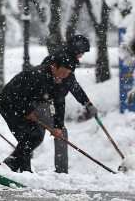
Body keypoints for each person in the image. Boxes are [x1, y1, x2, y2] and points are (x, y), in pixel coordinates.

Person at [0, 53, 75, 173]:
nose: (64, 76)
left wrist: (58, 126)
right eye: (63, 72)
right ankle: (24, 169)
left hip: (25, 106)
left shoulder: (59, 81)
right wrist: (27, 110)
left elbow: (59, 104)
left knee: (36, 136)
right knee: (27, 136)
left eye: (67, 73)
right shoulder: (37, 75)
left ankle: (11, 164)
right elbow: (20, 93)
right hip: (9, 104)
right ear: (54, 66)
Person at [36, 34, 91, 173]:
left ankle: (16, 162)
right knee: (60, 133)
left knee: (35, 135)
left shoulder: (63, 56)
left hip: (46, 100)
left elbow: (70, 85)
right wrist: (87, 103)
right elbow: (72, 85)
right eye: (82, 51)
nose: (83, 55)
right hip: (44, 101)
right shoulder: (63, 60)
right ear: (75, 49)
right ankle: (61, 171)